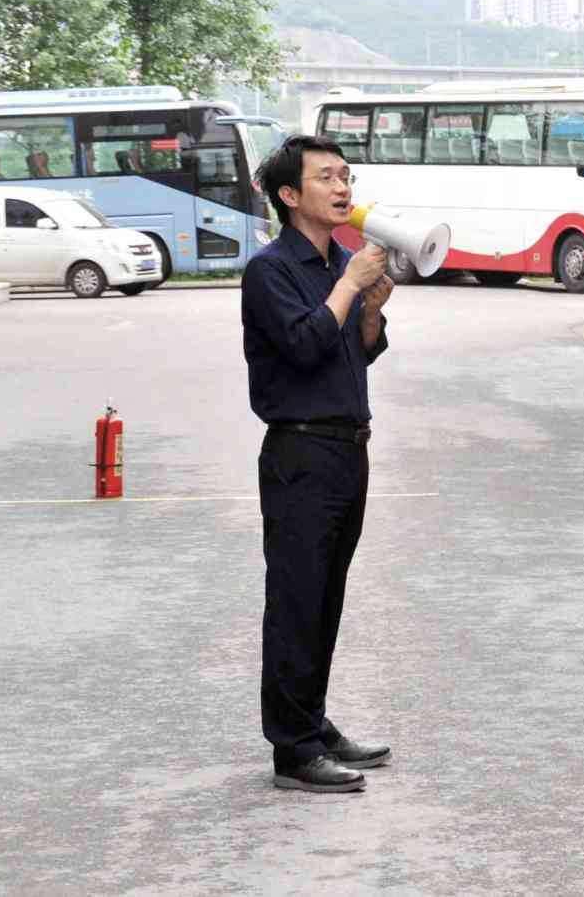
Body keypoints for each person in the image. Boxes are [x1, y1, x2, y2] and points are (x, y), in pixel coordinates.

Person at [240, 135, 395, 793]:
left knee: (326, 596)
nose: (343, 188)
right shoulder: (271, 269)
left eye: (346, 176)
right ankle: (293, 750)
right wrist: (349, 287)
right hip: (299, 451)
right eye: (326, 177)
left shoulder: (340, 264)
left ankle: (314, 721)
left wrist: (369, 313)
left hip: (346, 449)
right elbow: (304, 348)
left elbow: (352, 354)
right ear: (289, 195)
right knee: (296, 598)